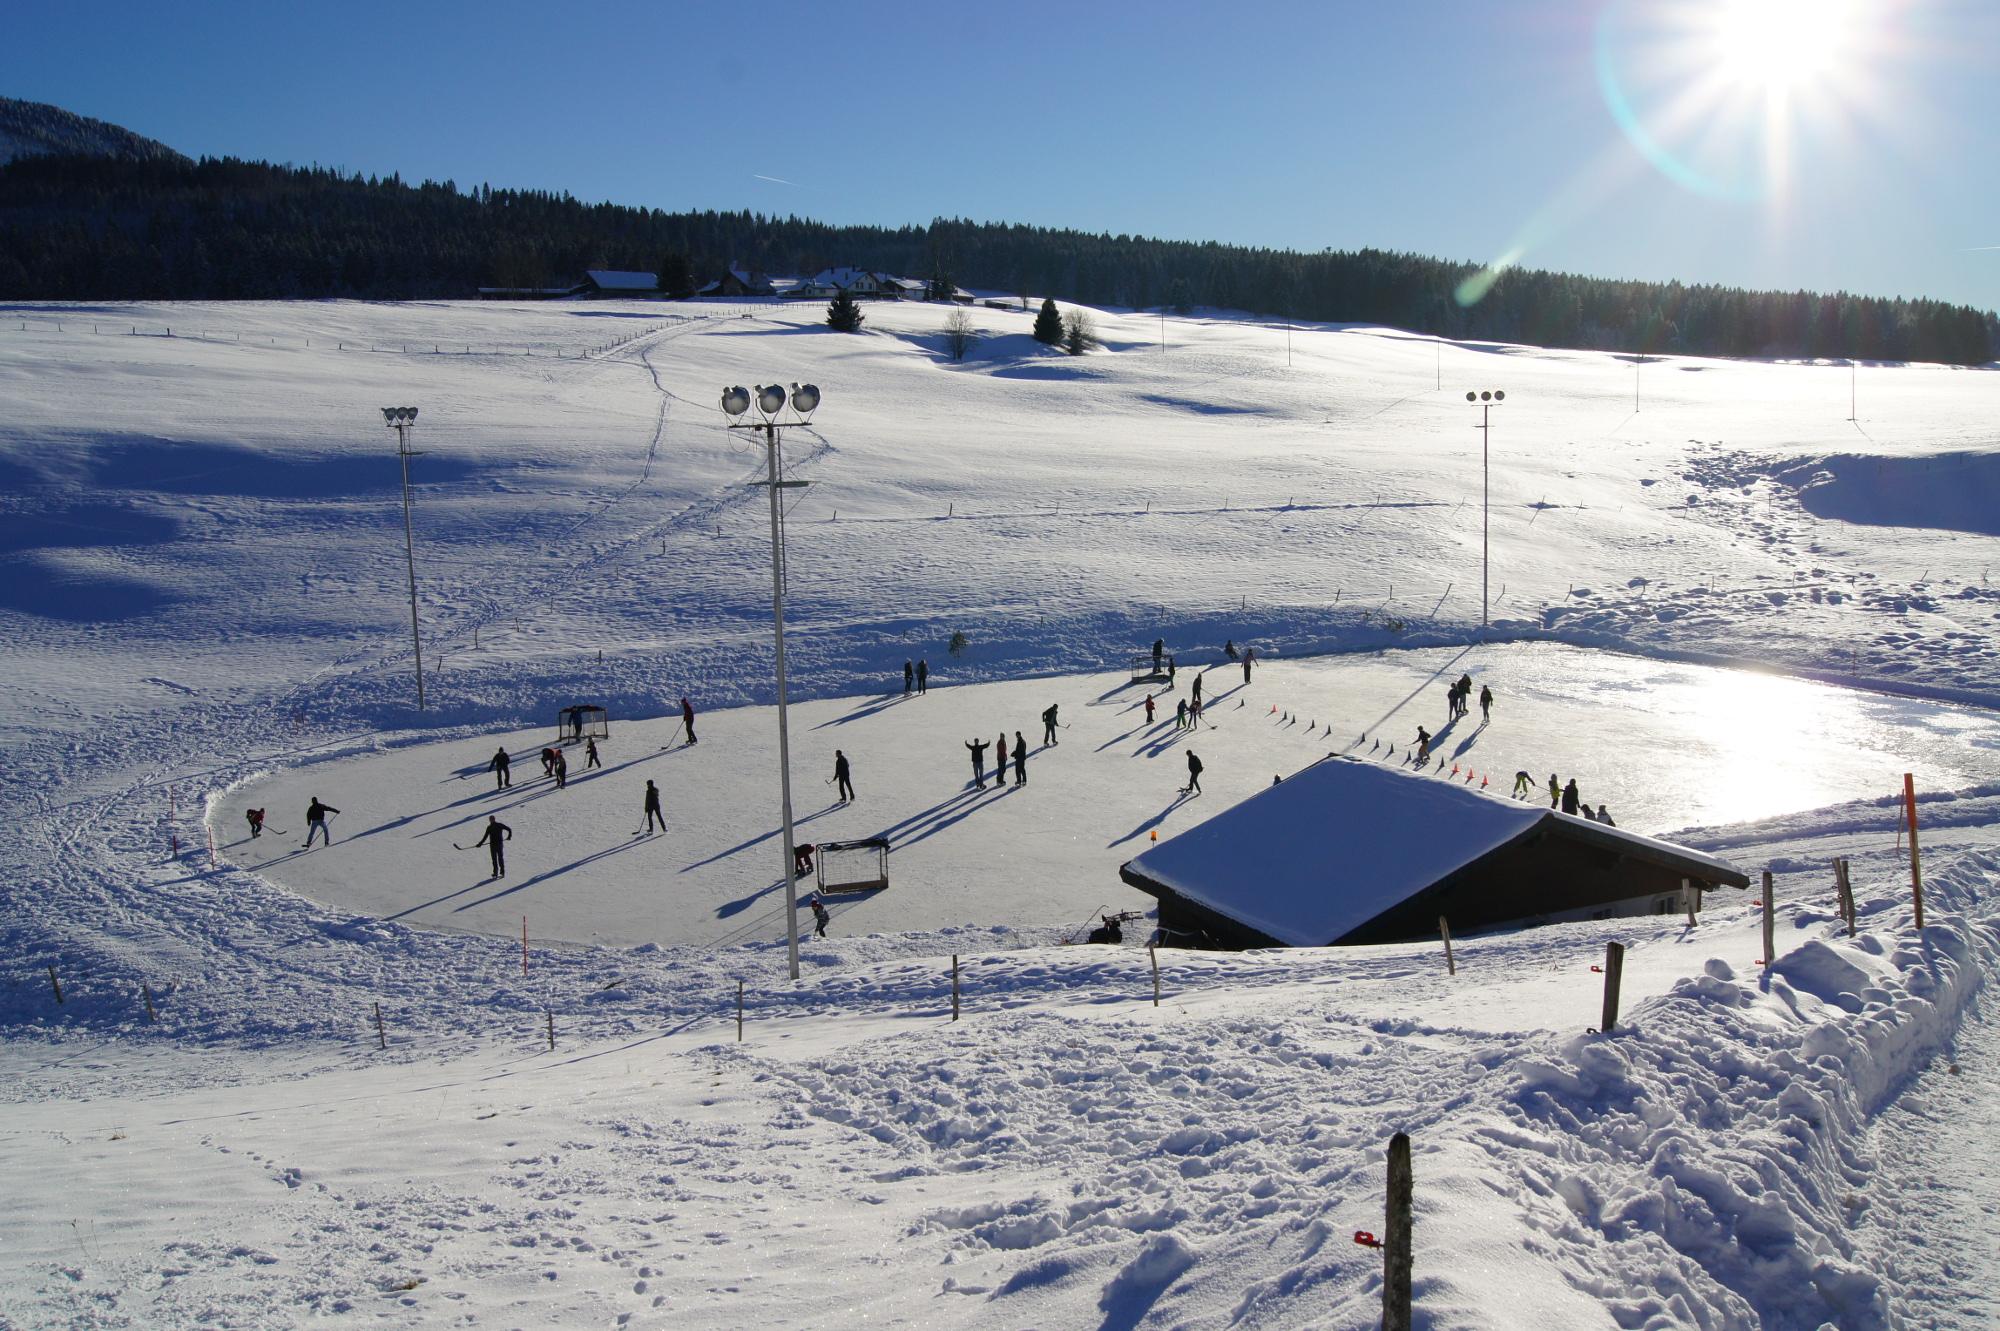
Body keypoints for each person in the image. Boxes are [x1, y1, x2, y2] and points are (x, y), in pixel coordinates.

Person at [475, 815, 512, 879]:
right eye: (491, 819)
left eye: (491, 819)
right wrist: (480, 844)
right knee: (496, 859)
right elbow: (485, 837)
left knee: (498, 859)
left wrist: (509, 836)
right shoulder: (492, 826)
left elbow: (509, 829)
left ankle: (500, 873)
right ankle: (497, 873)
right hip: (495, 845)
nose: (491, 820)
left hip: (496, 845)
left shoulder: (494, 826)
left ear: (493, 819)